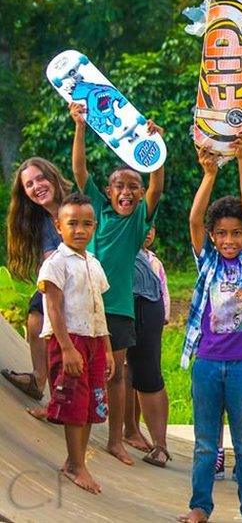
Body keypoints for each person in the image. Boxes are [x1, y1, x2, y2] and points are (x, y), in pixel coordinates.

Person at [179, 137, 242, 523]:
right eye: (221, 234)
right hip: (207, 364)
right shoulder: (207, 259)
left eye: (235, 233)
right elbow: (194, 220)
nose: (228, 240)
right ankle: (199, 506)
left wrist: (241, 159)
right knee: (206, 444)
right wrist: (208, 175)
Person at [69, 101, 164, 466]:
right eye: (119, 186)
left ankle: (116, 439)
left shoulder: (139, 217)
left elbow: (156, 185)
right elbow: (80, 170)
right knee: (78, 366)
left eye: (133, 187)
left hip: (120, 307)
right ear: (108, 192)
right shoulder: (96, 209)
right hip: (85, 303)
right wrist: (80, 126)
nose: (126, 192)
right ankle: (68, 419)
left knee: (117, 372)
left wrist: (155, 152)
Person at [37, 192, 113, 494]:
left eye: (86, 224)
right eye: (72, 224)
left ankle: (77, 461)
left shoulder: (93, 262)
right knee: (74, 401)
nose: (79, 230)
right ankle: (75, 464)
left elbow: (99, 308)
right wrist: (67, 347)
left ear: (94, 226)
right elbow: (53, 307)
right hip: (69, 340)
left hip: (94, 341)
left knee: (92, 401)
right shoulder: (56, 263)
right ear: (58, 226)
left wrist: (106, 348)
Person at [2, 157, 73, 417]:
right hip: (60, 279)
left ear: (52, 177)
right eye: (29, 184)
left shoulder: (75, 205)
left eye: (40, 178)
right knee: (35, 316)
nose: (37, 186)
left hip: (88, 279)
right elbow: (49, 259)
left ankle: (64, 400)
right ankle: (38, 378)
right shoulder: (43, 221)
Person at [125, 226, 172, 467]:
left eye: (151, 228)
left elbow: (162, 290)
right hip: (118, 306)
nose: (146, 232)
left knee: (148, 374)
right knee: (122, 373)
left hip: (147, 309)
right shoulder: (113, 234)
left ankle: (159, 444)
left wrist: (164, 316)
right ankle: (127, 430)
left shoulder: (153, 261)